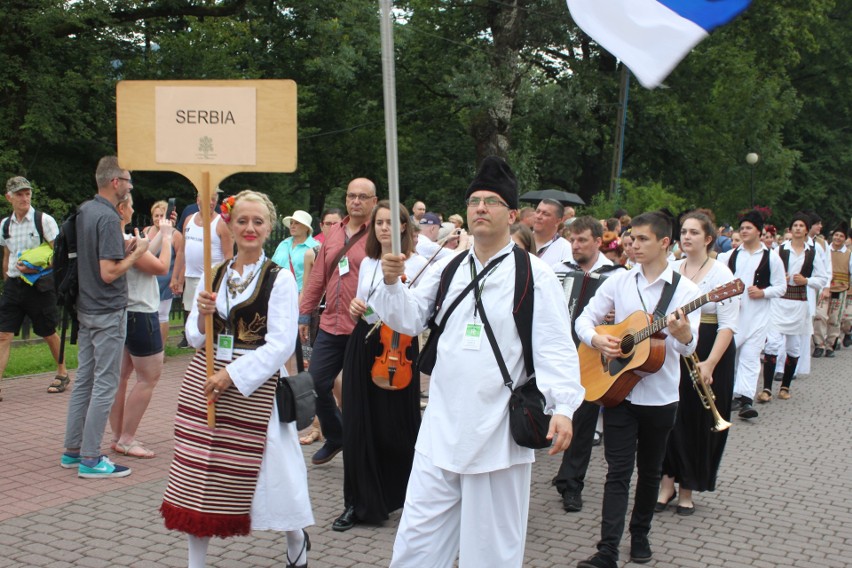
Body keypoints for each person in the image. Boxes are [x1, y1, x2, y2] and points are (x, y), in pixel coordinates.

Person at [372, 156, 583, 567]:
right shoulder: (448, 268)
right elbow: (409, 318)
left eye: (491, 201)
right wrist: (392, 282)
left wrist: (564, 408)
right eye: (473, 201)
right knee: (416, 545)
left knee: (490, 554)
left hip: (498, 432)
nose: (480, 208)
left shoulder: (534, 275)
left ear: (512, 213)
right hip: (442, 427)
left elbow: (556, 347)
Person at [160, 190, 313, 568]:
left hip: (255, 386)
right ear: (229, 224)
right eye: (242, 220)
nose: (249, 228)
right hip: (208, 380)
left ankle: (295, 536)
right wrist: (202, 313)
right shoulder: (217, 273)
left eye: (257, 222)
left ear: (269, 229)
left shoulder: (279, 279)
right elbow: (197, 339)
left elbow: (280, 345)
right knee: (201, 472)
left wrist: (233, 374)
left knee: (273, 479)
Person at [574, 211, 700, 568]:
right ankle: (607, 550)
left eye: (642, 239)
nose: (633, 244)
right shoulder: (620, 282)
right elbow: (585, 318)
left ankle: (640, 534)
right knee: (616, 472)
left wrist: (683, 336)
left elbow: (689, 349)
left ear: (664, 243)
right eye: (631, 238)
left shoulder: (686, 291)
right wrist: (599, 339)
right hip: (619, 393)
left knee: (649, 471)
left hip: (660, 398)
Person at [331, 201, 427, 532]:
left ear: (403, 227)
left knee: (395, 427)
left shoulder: (418, 264)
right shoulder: (369, 261)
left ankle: (398, 496)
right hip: (365, 342)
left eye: (390, 222)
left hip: (398, 347)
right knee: (358, 424)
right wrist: (360, 309)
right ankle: (357, 503)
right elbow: (370, 310)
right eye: (379, 222)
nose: (384, 228)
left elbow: (412, 315)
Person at [61, 156, 149, 478]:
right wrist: (136, 254)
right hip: (108, 311)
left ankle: (72, 451)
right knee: (106, 384)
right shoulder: (109, 218)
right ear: (116, 183)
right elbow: (109, 272)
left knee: (84, 379)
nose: (129, 186)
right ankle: (90, 459)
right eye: (128, 180)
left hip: (86, 308)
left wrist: (122, 256)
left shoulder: (85, 210)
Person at [658, 212, 739, 516]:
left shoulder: (722, 274)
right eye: (683, 231)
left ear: (708, 239)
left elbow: (728, 326)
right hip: (672, 349)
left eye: (694, 232)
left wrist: (709, 363)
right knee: (669, 416)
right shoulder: (672, 268)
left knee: (695, 420)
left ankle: (688, 488)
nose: (686, 237)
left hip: (707, 349)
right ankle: (666, 484)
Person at [299, 178, 377, 465]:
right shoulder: (334, 232)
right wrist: (305, 313)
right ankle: (336, 435)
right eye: (351, 196)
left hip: (364, 327)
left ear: (373, 200)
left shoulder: (379, 233)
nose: (356, 201)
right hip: (331, 323)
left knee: (361, 394)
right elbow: (319, 275)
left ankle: (364, 450)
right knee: (315, 382)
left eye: (362, 197)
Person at [552, 216, 623, 514]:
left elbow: (628, 317)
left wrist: (614, 319)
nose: (575, 245)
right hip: (558, 352)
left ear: (597, 241)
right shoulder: (559, 272)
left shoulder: (617, 276)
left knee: (582, 422)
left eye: (582, 240)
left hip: (592, 357)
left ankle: (571, 483)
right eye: (572, 240)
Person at [108, 194, 174, 459]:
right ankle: (126, 437)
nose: (135, 209)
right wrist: (168, 238)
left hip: (125, 312)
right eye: (132, 205)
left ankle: (118, 435)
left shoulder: (116, 240)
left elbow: (144, 254)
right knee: (149, 377)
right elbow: (160, 266)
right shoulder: (124, 240)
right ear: (122, 209)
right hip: (142, 313)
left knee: (121, 377)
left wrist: (159, 231)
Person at [0, 176, 67, 401]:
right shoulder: (4, 224)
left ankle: (62, 373)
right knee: (3, 334)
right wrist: (8, 277)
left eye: (27, 193)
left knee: (48, 332)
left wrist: (35, 268)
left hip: (39, 285)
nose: (24, 197)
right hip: (13, 285)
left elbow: (58, 255)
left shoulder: (43, 220)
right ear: (9, 197)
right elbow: (7, 254)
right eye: (19, 194)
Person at [717, 210, 785, 420]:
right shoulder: (730, 256)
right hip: (733, 315)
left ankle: (746, 399)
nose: (744, 231)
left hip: (757, 316)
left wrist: (763, 292)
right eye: (742, 228)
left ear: (759, 231)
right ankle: (728, 395)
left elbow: (781, 287)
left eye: (748, 228)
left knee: (750, 357)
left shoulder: (771, 258)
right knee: (731, 356)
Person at [758, 212, 829, 402]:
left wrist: (806, 280)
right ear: (790, 229)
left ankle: (785, 386)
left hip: (799, 302)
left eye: (801, 226)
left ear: (806, 230)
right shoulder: (780, 250)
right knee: (772, 343)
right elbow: (767, 272)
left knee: (794, 346)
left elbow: (822, 278)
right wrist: (782, 278)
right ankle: (766, 388)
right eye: (795, 225)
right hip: (780, 301)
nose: (798, 228)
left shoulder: (812, 253)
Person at [170, 188, 234, 345]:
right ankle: (197, 354)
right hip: (191, 278)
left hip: (212, 281)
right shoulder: (189, 220)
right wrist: (176, 277)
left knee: (212, 319)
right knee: (192, 319)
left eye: (214, 199)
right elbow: (182, 252)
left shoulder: (221, 224)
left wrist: (226, 282)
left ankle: (211, 354)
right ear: (198, 200)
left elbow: (229, 257)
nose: (211, 203)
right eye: (207, 198)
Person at [147, 201, 183, 348]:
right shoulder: (146, 231)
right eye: (156, 216)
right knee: (150, 314)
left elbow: (181, 258)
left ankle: (160, 348)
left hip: (165, 279)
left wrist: (176, 279)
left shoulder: (175, 235)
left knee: (162, 315)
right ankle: (149, 346)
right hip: (149, 279)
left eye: (161, 215)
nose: (158, 218)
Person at [813, 222, 851, 357]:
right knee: (820, 316)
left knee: (834, 319)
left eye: (841, 236)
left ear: (845, 239)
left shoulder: (848, 254)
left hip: (839, 290)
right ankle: (819, 344)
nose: (838, 238)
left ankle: (830, 345)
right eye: (836, 235)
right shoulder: (824, 250)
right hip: (824, 288)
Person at [272, 210, 320, 297]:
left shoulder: (315, 248)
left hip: (299, 296)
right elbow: (272, 266)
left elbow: (318, 277)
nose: (292, 226)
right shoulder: (283, 244)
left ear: (306, 228)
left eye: (297, 223)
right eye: (291, 223)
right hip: (276, 293)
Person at [532, 198, 572, 265]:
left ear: (558, 221)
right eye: (537, 211)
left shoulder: (566, 250)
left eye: (545, 214)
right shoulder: (518, 241)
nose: (539, 216)